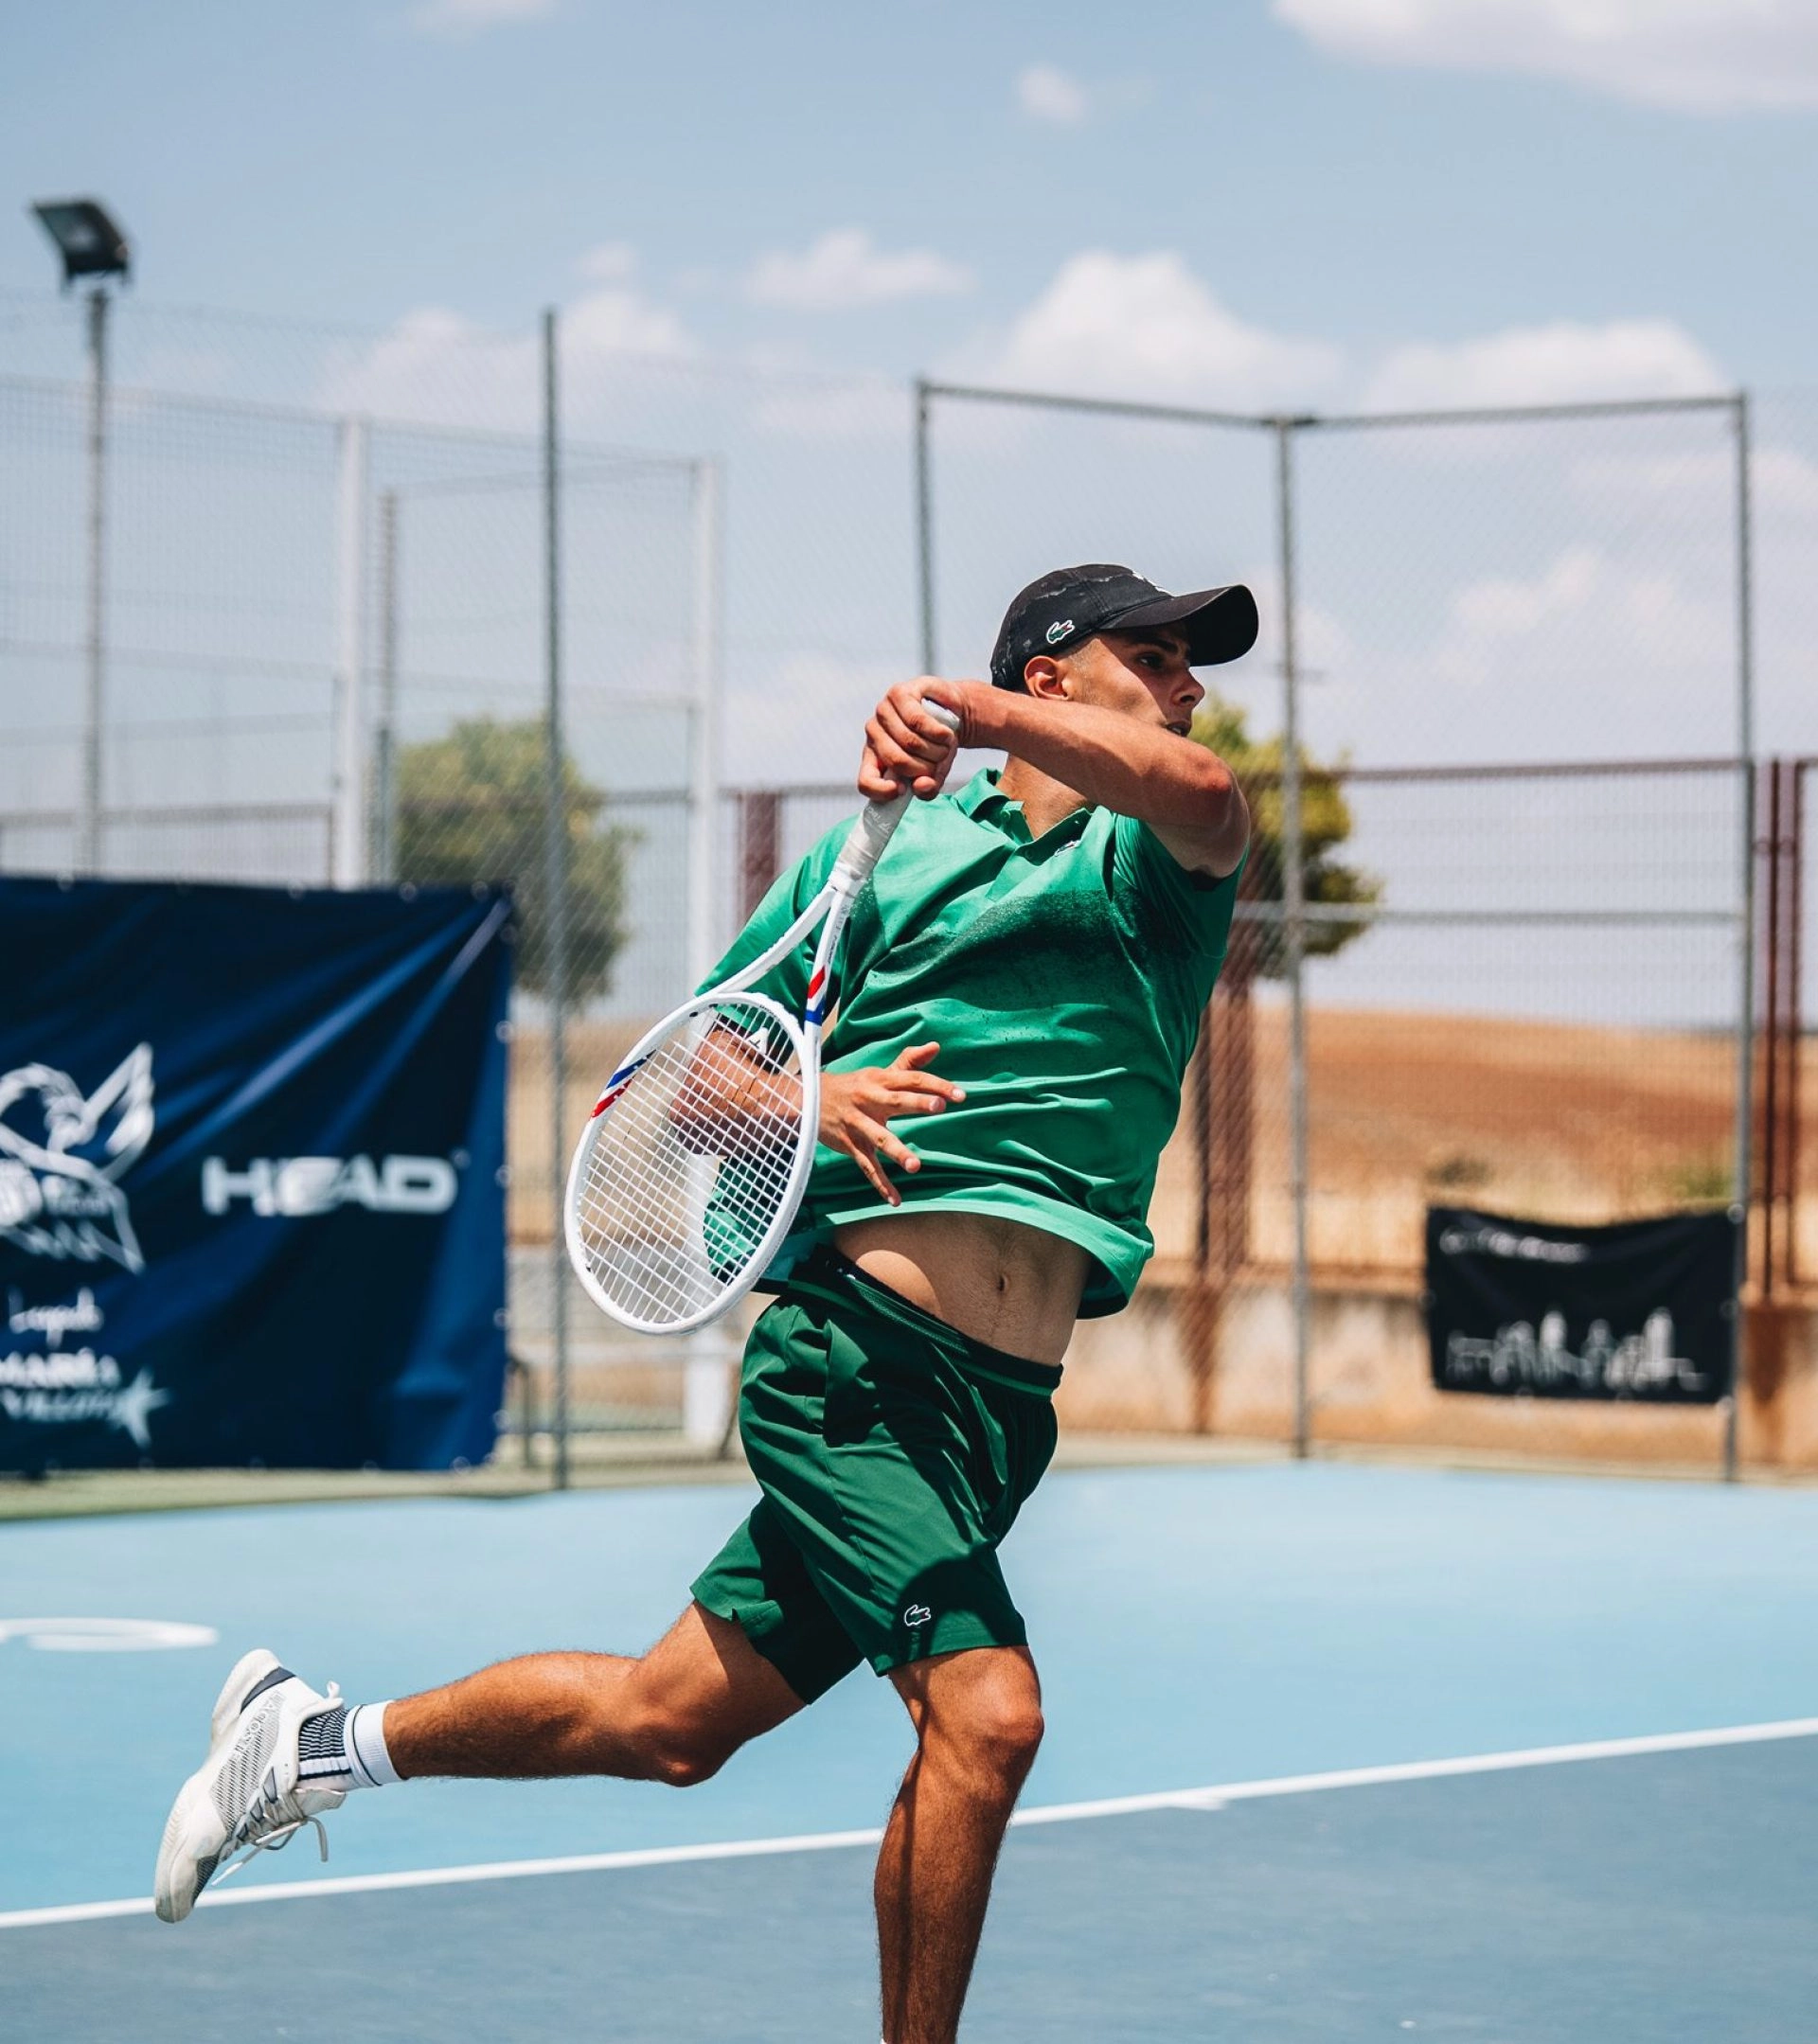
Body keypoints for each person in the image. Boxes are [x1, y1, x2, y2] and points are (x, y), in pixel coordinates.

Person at [152, 562, 1258, 2044]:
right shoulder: (888, 853)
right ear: (1054, 672)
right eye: (1157, 652)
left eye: (1196, 661)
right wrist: (818, 1091)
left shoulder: (1152, 877)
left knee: (670, 1722)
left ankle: (310, 1743)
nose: (1190, 683)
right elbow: (696, 1079)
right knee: (988, 1717)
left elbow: (1197, 788)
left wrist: (953, 704)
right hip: (851, 1367)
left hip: (999, 1415)